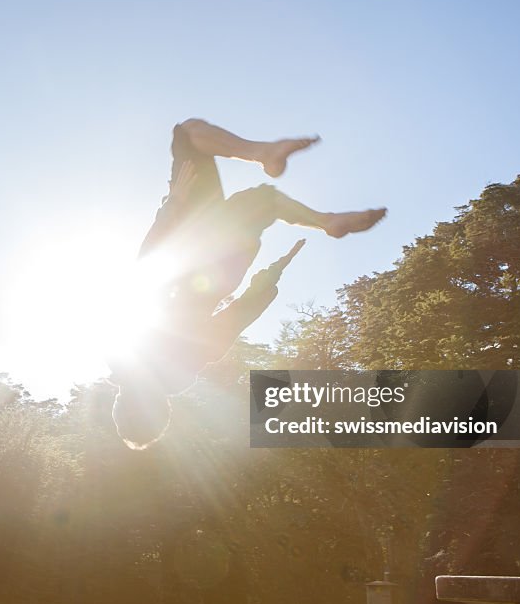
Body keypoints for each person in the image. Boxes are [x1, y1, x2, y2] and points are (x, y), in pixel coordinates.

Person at [108, 118, 386, 449]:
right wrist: (172, 208)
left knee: (264, 200)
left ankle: (326, 220)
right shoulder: (126, 353)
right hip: (191, 243)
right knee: (188, 135)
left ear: (164, 408)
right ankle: (269, 160)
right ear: (121, 403)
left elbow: (239, 316)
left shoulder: (188, 363)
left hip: (224, 265)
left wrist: (273, 273)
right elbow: (145, 274)